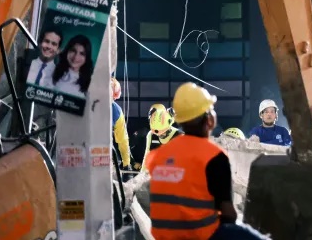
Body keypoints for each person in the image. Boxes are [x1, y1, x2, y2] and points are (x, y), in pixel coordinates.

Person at [146, 82, 267, 240]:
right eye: (211, 110)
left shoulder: (158, 156)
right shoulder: (214, 156)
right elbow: (228, 215)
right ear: (209, 119)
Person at [142, 103, 184, 169]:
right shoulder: (151, 135)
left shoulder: (180, 136)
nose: (160, 135)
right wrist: (141, 176)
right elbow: (147, 157)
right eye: (157, 134)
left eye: (163, 133)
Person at [111, 77, 133, 170]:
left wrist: (126, 163)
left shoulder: (116, 111)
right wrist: (126, 164)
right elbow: (123, 140)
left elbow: (123, 140)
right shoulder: (116, 111)